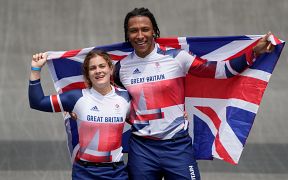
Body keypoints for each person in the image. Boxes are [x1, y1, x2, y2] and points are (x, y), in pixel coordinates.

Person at [112, 7, 274, 180]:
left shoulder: (177, 57)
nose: (139, 35)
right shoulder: (121, 68)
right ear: (127, 34)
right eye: (133, 31)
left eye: (145, 29)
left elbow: (219, 71)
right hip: (142, 149)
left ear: (154, 32)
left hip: (177, 147)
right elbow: (112, 100)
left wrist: (254, 52)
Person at [28, 50, 130, 180]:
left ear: (111, 69)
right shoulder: (76, 97)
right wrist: (35, 68)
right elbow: (38, 102)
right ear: (87, 74)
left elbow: (143, 122)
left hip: (116, 173)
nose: (98, 71)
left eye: (102, 66)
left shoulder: (126, 97)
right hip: (84, 173)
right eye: (92, 68)